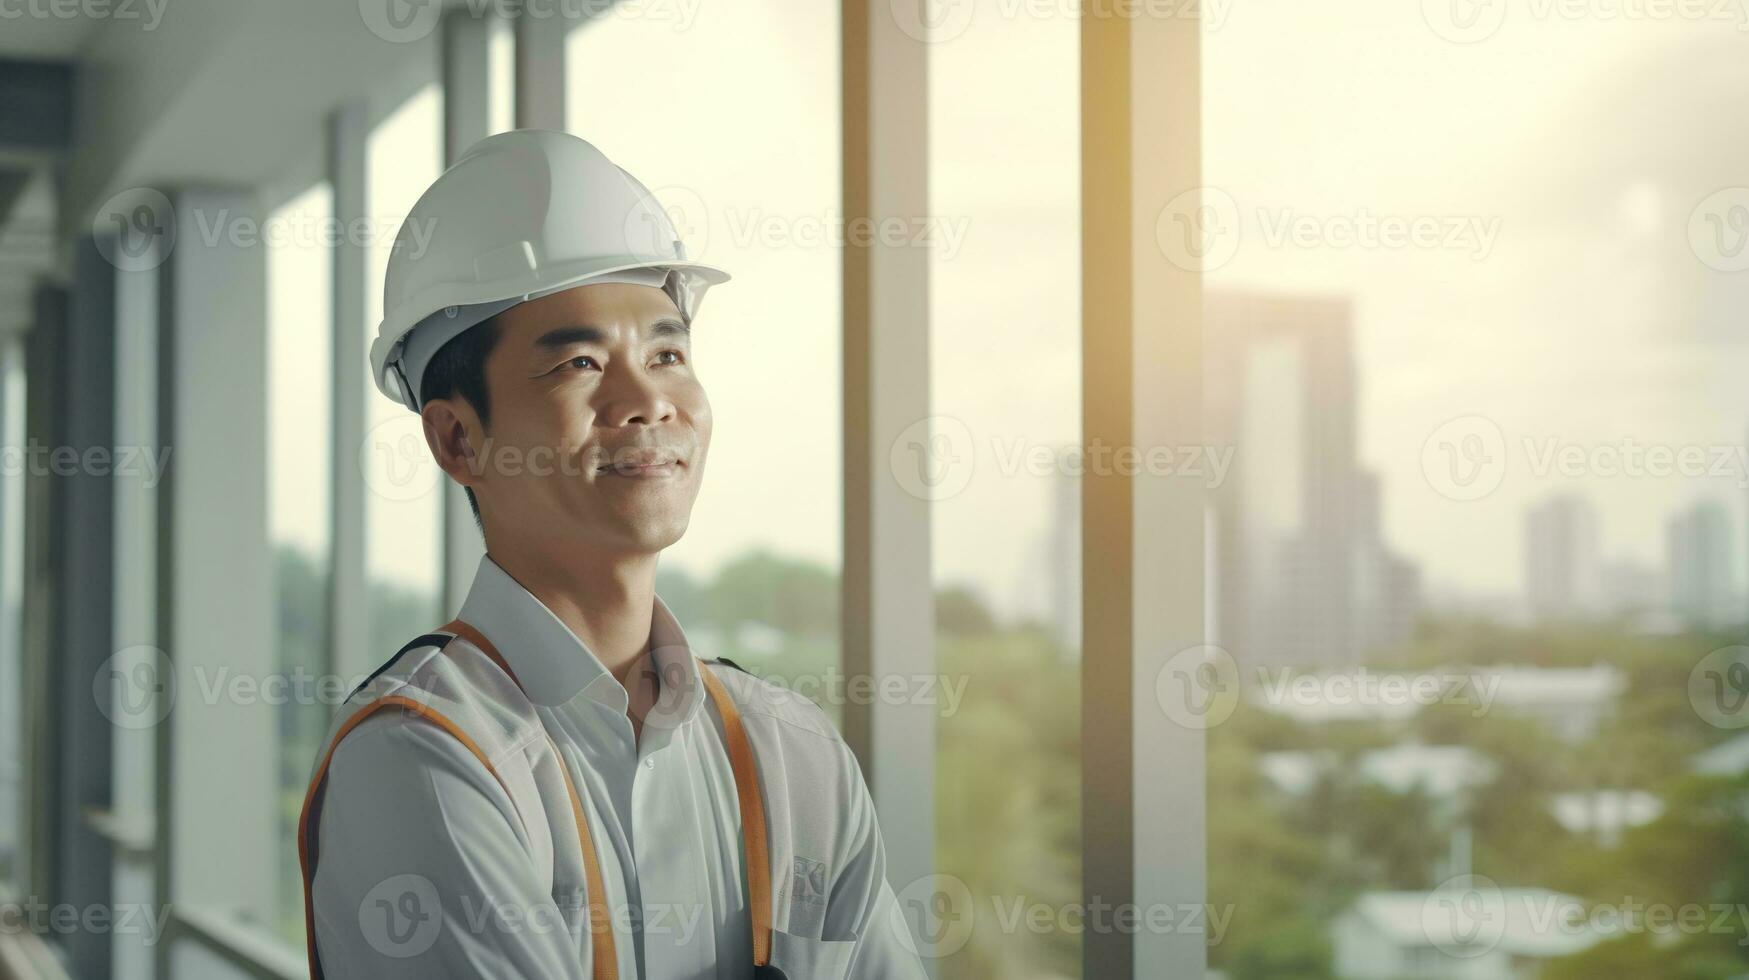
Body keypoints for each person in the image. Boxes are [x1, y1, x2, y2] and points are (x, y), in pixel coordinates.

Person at [298, 129, 928, 980]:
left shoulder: (792, 752)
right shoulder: (420, 759)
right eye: (581, 363)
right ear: (457, 438)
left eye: (668, 353)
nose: (646, 401)